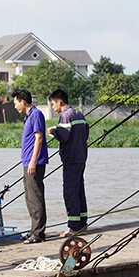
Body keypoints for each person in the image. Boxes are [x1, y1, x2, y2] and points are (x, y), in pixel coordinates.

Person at [47, 89, 90, 237]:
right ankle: (82, 224)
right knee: (79, 191)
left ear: (60, 102)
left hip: (71, 159)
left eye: (53, 104)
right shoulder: (78, 114)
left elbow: (64, 136)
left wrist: (53, 131)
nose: (53, 107)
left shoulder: (65, 116)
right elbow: (86, 133)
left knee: (70, 192)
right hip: (81, 157)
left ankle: (73, 226)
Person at [12, 89, 49, 244]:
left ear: (23, 101)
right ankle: (34, 229)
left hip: (35, 162)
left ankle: (39, 233)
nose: (15, 107)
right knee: (29, 196)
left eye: (15, 103)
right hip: (27, 162)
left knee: (35, 196)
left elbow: (39, 137)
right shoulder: (29, 116)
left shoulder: (36, 114)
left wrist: (33, 161)